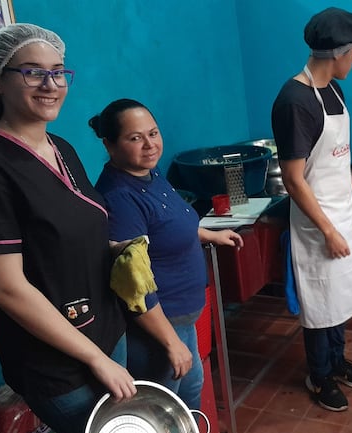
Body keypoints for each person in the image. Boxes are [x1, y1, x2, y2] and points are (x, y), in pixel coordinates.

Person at [0, 23, 136, 433]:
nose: (50, 84)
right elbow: (7, 289)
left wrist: (118, 249)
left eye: (58, 71)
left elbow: (69, 230)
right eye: (32, 71)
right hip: (58, 364)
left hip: (106, 331)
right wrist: (95, 359)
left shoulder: (61, 147)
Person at [90, 98, 244, 411]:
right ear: (109, 145)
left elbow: (168, 223)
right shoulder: (119, 198)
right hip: (159, 327)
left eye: (154, 133)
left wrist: (209, 234)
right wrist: (171, 342)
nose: (150, 145)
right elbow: (134, 284)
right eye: (135, 138)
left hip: (181, 320)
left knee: (189, 395)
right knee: (162, 410)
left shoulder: (149, 174)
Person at [270, 7, 352, 412]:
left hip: (344, 212)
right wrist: (328, 229)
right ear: (339, 52)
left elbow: (340, 160)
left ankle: (337, 358)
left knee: (341, 297)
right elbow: (295, 180)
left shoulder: (334, 90)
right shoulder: (295, 100)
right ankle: (319, 374)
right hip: (317, 223)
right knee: (321, 301)